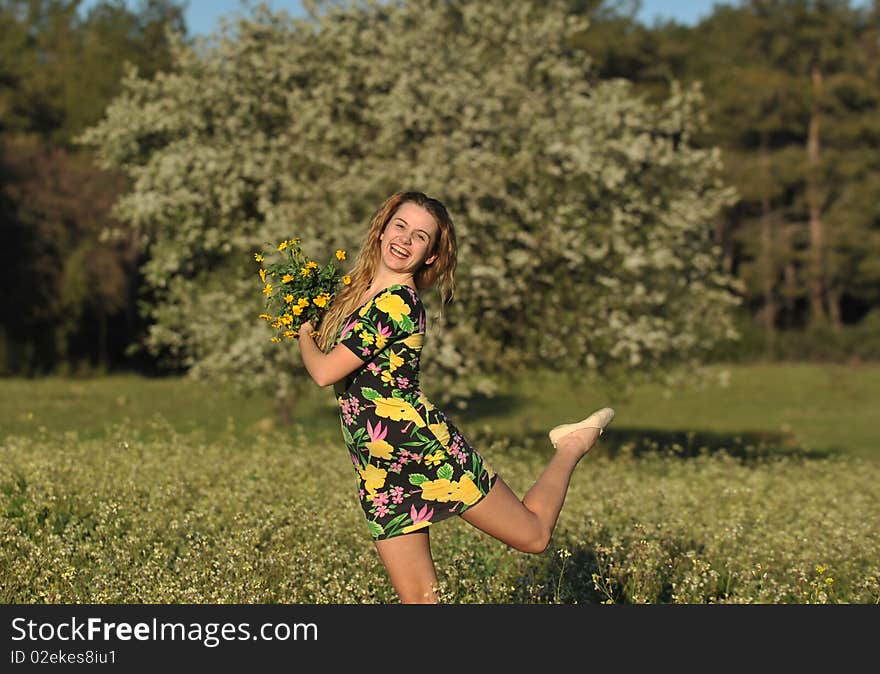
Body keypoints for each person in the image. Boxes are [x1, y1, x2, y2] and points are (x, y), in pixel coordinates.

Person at [296, 191, 614, 603]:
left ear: (430, 255)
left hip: (422, 448)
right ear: (381, 229)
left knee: (533, 536)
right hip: (376, 465)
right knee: (421, 602)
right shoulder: (355, 295)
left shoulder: (396, 304)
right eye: (400, 226)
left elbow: (323, 372)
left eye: (420, 237)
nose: (405, 240)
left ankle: (572, 445)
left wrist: (302, 330)